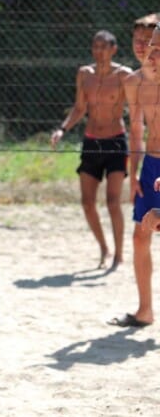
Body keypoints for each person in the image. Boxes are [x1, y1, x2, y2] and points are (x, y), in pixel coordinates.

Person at [50, 30, 131, 270]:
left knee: (113, 201)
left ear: (113, 49)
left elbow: (138, 107)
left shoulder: (124, 75)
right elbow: (79, 108)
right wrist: (62, 129)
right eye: (95, 47)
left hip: (116, 141)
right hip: (91, 141)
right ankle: (104, 248)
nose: (99, 51)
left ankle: (118, 254)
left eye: (104, 47)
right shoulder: (85, 74)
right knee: (87, 202)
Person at [113, 20, 160, 328]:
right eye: (144, 43)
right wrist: (134, 175)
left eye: (153, 45)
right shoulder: (134, 82)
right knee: (141, 235)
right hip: (151, 168)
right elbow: (135, 130)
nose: (146, 49)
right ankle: (145, 311)